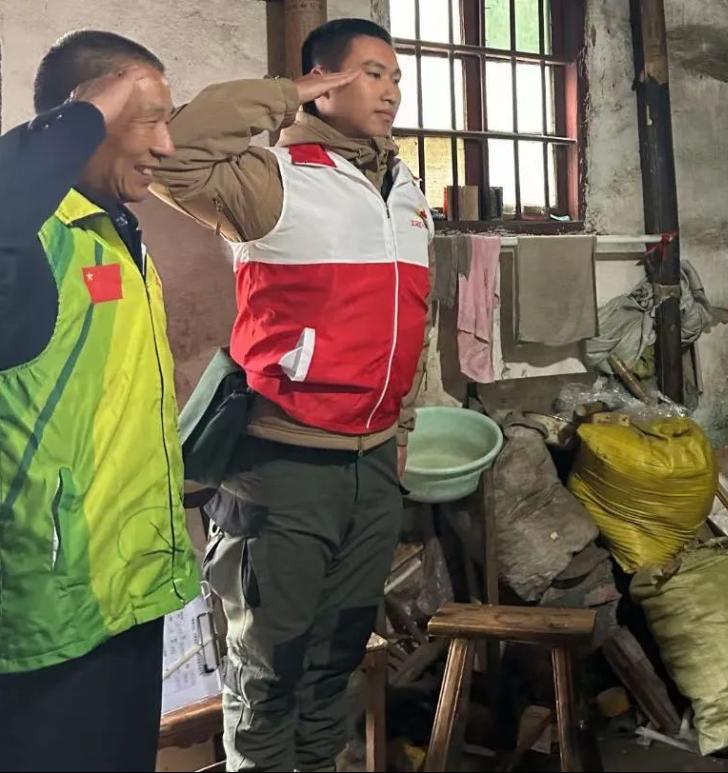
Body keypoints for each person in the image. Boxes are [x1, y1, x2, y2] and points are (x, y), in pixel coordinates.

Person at [151, 18, 432, 772]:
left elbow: (413, 323)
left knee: (336, 663)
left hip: (372, 465)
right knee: (269, 671)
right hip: (284, 464)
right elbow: (177, 150)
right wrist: (288, 93)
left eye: (396, 77)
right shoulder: (275, 180)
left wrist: (400, 431)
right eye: (371, 73)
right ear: (326, 81)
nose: (391, 91)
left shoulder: (404, 190)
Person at [0, 31, 198, 772]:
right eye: (145, 119)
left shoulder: (114, 231)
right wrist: (84, 115)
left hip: (127, 591)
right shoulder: (29, 244)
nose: (166, 145)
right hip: (48, 607)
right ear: (83, 116)